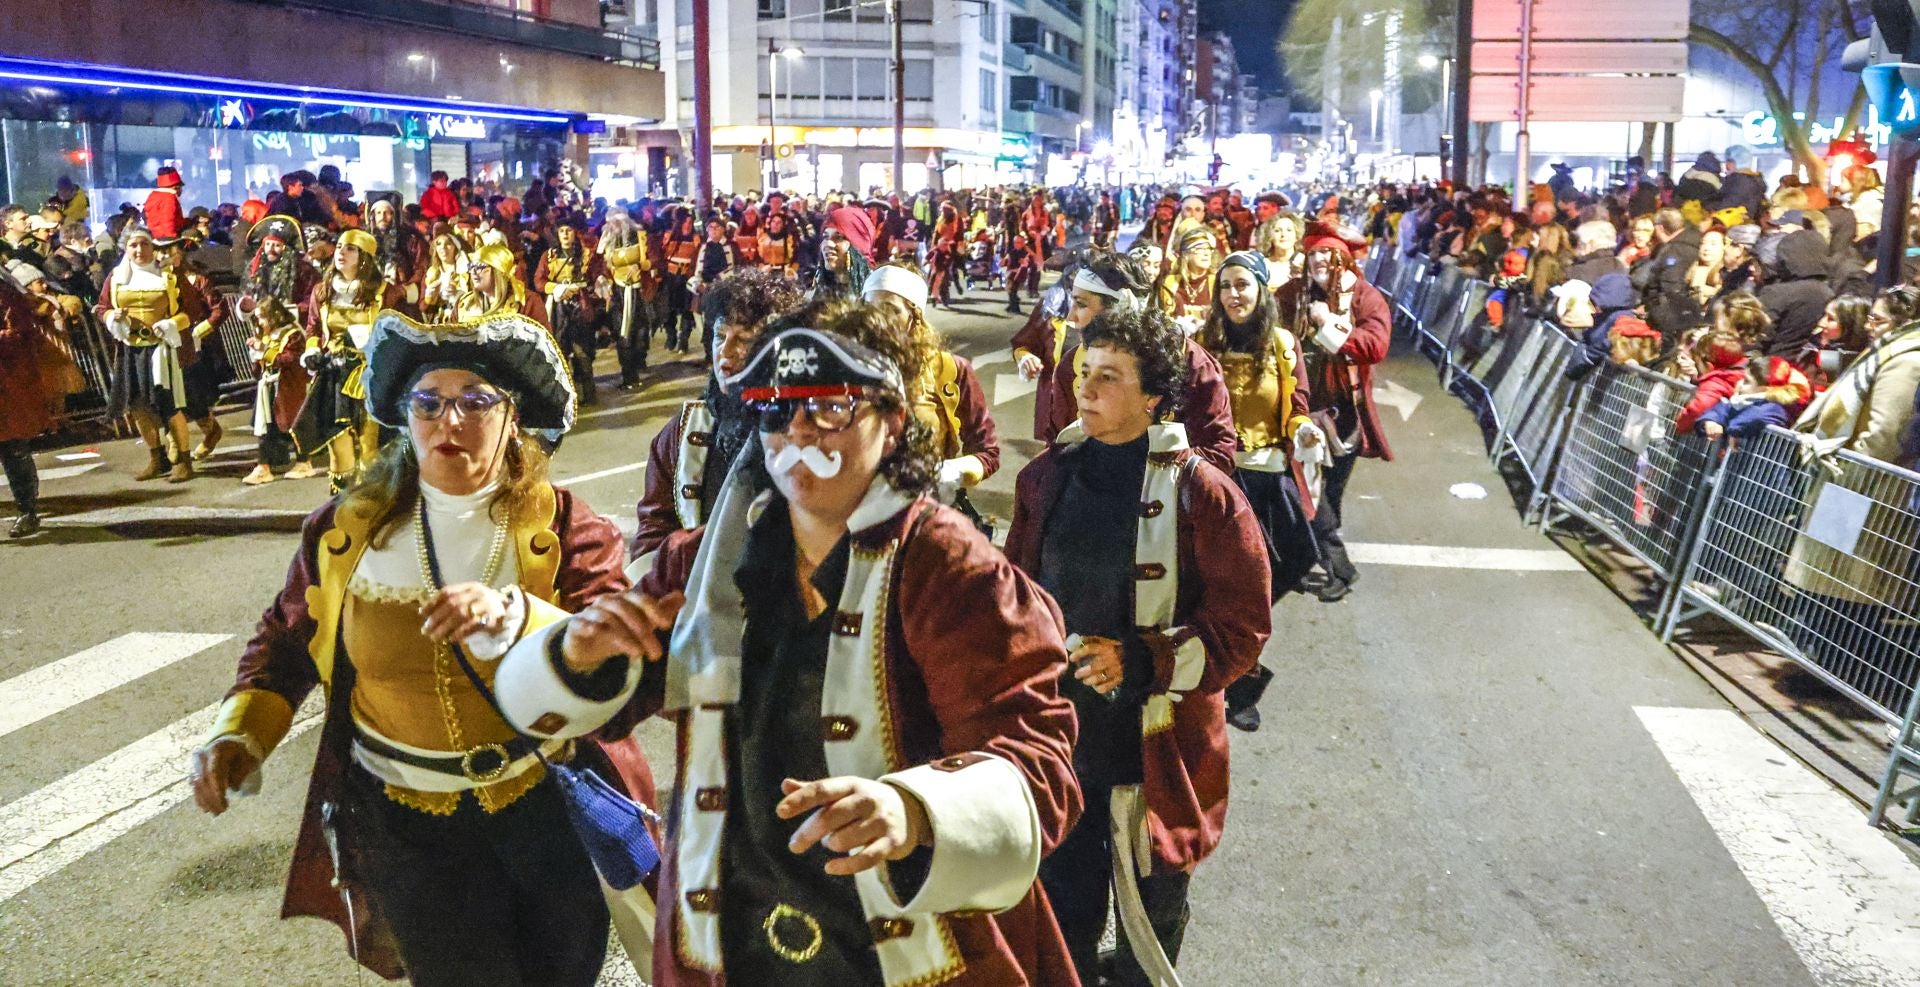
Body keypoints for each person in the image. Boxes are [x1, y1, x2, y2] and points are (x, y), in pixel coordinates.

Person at [494, 315, 1083, 986]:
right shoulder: (703, 561)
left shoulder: (946, 565)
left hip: (906, 949)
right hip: (731, 941)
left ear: (891, 422)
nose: (799, 430)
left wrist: (915, 811)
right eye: (777, 410)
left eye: (830, 407)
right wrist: (578, 657)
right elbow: (598, 707)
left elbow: (1037, 759)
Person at [189, 308, 656, 985]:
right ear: (405, 415)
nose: (450, 421)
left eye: (475, 401)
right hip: (406, 825)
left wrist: (515, 617)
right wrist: (237, 735)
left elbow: (620, 652)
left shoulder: (562, 525)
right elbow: (287, 643)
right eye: (428, 402)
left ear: (513, 416)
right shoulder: (345, 531)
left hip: (544, 812)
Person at [1006, 304, 1272, 985]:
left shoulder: (1203, 493)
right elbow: (1016, 597)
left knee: (1146, 942)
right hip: (1062, 749)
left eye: (1110, 376)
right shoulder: (1044, 477)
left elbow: (1242, 626)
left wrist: (1144, 659)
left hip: (1156, 752)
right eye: (1083, 371)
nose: (1087, 389)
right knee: (1058, 930)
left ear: (1153, 394)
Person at [1196, 250, 1324, 730]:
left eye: (1243, 285)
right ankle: (1233, 681)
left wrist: (1304, 429)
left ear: (1262, 289)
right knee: (1220, 585)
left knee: (1280, 571)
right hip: (1217, 480)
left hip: (1267, 479)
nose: (1234, 295)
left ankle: (1236, 662)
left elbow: (1298, 407)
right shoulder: (1201, 342)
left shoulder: (1283, 345)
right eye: (1226, 286)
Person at [630, 267, 804, 566]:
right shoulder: (682, 433)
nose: (726, 352)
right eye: (719, 336)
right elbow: (650, 538)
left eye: (745, 340)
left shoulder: (806, 429)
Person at [1040, 253, 1240, 472]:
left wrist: (1152, 467)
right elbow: (1057, 446)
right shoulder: (1072, 365)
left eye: (1081, 304)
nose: (1071, 317)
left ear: (1120, 306)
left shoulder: (1190, 362)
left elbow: (1218, 453)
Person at [1277, 222, 1391, 602]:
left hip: (1345, 415)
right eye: (1313, 254)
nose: (1319, 260)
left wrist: (1328, 323)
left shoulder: (1365, 296)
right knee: (1305, 489)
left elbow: (1375, 345)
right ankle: (1338, 566)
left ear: (1343, 258)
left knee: (1330, 496)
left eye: (1327, 253)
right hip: (1301, 412)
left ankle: (1303, 560)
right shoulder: (1291, 294)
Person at [860, 264, 1000, 519]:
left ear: (915, 316)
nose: (876, 318)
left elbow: (987, 451)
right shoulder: (847, 369)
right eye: (869, 308)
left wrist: (945, 472)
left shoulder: (950, 370)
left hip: (927, 515)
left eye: (890, 309)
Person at [296, 228, 414, 494]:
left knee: (371, 445)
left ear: (364, 257)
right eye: (339, 247)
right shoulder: (322, 290)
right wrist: (312, 350)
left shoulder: (388, 293)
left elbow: (403, 332)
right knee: (339, 447)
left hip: (372, 374)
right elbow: (313, 327)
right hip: (334, 373)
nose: (341, 253)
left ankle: (370, 506)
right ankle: (341, 508)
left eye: (350, 249)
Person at [98, 227, 211, 483]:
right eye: (133, 246)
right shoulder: (116, 277)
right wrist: (110, 317)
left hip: (162, 350)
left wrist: (172, 324)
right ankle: (156, 457)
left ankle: (183, 459)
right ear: (125, 249)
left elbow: (193, 310)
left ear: (152, 247)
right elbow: (102, 306)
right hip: (130, 348)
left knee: (169, 404)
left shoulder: (169, 276)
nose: (139, 250)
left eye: (144, 244)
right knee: (137, 405)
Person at [157, 237, 235, 463]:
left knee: (194, 396)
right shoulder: (155, 282)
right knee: (167, 395)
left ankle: (211, 431)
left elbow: (219, 310)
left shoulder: (198, 280)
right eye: (159, 252)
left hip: (197, 346)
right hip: (167, 344)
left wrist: (198, 331)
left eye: (167, 251)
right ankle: (173, 441)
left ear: (179, 254)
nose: (162, 256)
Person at [535, 221, 605, 404]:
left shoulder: (586, 255)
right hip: (557, 309)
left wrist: (600, 280)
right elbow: (539, 281)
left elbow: (598, 273)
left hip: (579, 307)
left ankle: (589, 393)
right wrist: (556, 289)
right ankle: (564, 397)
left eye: (569, 231)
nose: (565, 235)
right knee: (559, 351)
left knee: (582, 352)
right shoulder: (548, 256)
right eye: (562, 231)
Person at [1, 276, 50, 537]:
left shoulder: (6, 293)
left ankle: (27, 511)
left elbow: (20, 335)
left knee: (13, 449)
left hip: (6, 386)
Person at [1159, 226, 1218, 332]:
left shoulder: (1217, 283)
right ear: (1186, 254)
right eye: (1200, 249)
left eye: (1208, 249)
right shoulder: (1170, 284)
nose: (1206, 253)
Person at [420, 229, 470, 323]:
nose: (443, 247)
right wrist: (430, 297)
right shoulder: (431, 274)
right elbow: (423, 308)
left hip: (461, 322)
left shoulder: (465, 272)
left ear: (455, 247)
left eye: (448, 243)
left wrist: (458, 294)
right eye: (439, 244)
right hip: (437, 324)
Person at [143, 167, 187, 242]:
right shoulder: (169, 198)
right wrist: (172, 240)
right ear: (176, 187)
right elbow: (168, 220)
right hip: (166, 239)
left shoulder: (153, 196)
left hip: (154, 237)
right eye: (180, 187)